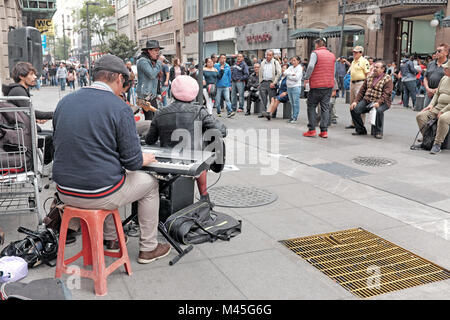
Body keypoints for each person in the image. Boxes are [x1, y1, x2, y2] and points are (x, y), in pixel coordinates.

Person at [52, 54, 170, 264]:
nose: (123, 89)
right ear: (118, 78)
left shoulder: (64, 102)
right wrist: (146, 157)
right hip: (97, 193)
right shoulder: (119, 107)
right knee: (149, 184)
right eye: (124, 84)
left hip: (65, 192)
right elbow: (132, 162)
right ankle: (148, 248)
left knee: (108, 176)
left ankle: (112, 239)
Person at [145, 75, 227, 203]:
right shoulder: (199, 111)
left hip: (168, 161)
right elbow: (222, 131)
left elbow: (150, 140)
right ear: (194, 93)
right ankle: (204, 196)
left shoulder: (160, 112)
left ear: (172, 92)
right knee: (201, 153)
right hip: (193, 161)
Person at [2, 62, 54, 168]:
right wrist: (55, 113)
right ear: (21, 76)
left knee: (53, 135)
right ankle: (47, 167)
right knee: (53, 137)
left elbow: (25, 112)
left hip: (24, 130)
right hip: (23, 135)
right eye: (31, 74)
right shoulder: (18, 91)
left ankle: (47, 166)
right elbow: (32, 112)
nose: (35, 77)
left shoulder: (19, 90)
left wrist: (35, 119)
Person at [350, 61, 393, 139]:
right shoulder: (369, 77)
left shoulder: (387, 79)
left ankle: (378, 132)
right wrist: (355, 101)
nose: (374, 69)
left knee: (379, 110)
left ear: (383, 69)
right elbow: (362, 91)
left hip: (383, 102)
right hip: (368, 100)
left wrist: (379, 102)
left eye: (377, 67)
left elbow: (387, 94)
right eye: (374, 67)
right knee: (354, 109)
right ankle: (361, 130)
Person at [302, 38, 336, 138]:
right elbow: (333, 71)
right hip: (328, 85)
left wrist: (307, 77)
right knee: (325, 108)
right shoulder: (332, 55)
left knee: (311, 106)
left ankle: (312, 129)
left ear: (317, 44)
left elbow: (311, 66)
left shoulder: (315, 53)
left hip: (317, 85)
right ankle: (324, 131)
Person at [415, 61, 450, 155]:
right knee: (420, 116)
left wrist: (443, 111)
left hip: (448, 109)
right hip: (438, 106)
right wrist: (431, 105)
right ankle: (428, 140)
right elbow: (437, 94)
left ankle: (437, 144)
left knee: (443, 118)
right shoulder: (444, 78)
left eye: (446, 68)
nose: (444, 69)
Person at [136, 40, 164, 120]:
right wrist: (159, 62)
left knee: (155, 118)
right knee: (150, 119)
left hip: (151, 95)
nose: (157, 53)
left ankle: (149, 132)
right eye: (155, 50)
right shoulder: (143, 61)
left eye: (158, 50)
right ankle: (145, 132)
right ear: (149, 50)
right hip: (145, 95)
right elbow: (152, 75)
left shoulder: (152, 61)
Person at [344, 46, 370, 129]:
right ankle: (353, 123)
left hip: (360, 83)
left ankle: (360, 124)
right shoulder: (353, 61)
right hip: (353, 83)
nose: (354, 53)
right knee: (352, 103)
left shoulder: (364, 61)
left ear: (361, 53)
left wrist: (366, 86)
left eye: (356, 52)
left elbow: (367, 74)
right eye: (353, 52)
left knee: (359, 103)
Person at [424, 43, 449, 108]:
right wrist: (428, 89)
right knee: (425, 114)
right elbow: (425, 77)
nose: (437, 53)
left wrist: (436, 90)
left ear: (446, 53)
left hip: (442, 94)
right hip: (429, 93)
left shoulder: (448, 65)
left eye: (439, 51)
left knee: (438, 115)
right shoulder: (431, 63)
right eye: (436, 51)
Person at [258, 50, 282, 118]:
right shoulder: (263, 62)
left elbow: (279, 73)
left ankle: (273, 113)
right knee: (263, 99)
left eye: (270, 55)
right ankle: (262, 112)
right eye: (267, 55)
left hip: (271, 83)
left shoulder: (275, 62)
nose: (268, 56)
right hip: (263, 82)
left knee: (272, 99)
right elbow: (260, 72)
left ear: (272, 56)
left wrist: (274, 82)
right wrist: (260, 82)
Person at [284, 56, 303, 123]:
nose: (293, 62)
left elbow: (296, 78)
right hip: (289, 87)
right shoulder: (290, 67)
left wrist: (289, 76)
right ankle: (292, 116)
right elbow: (285, 73)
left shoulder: (299, 68)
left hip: (296, 87)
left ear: (298, 61)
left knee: (295, 103)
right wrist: (292, 74)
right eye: (292, 60)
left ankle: (295, 117)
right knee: (292, 103)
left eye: (294, 60)